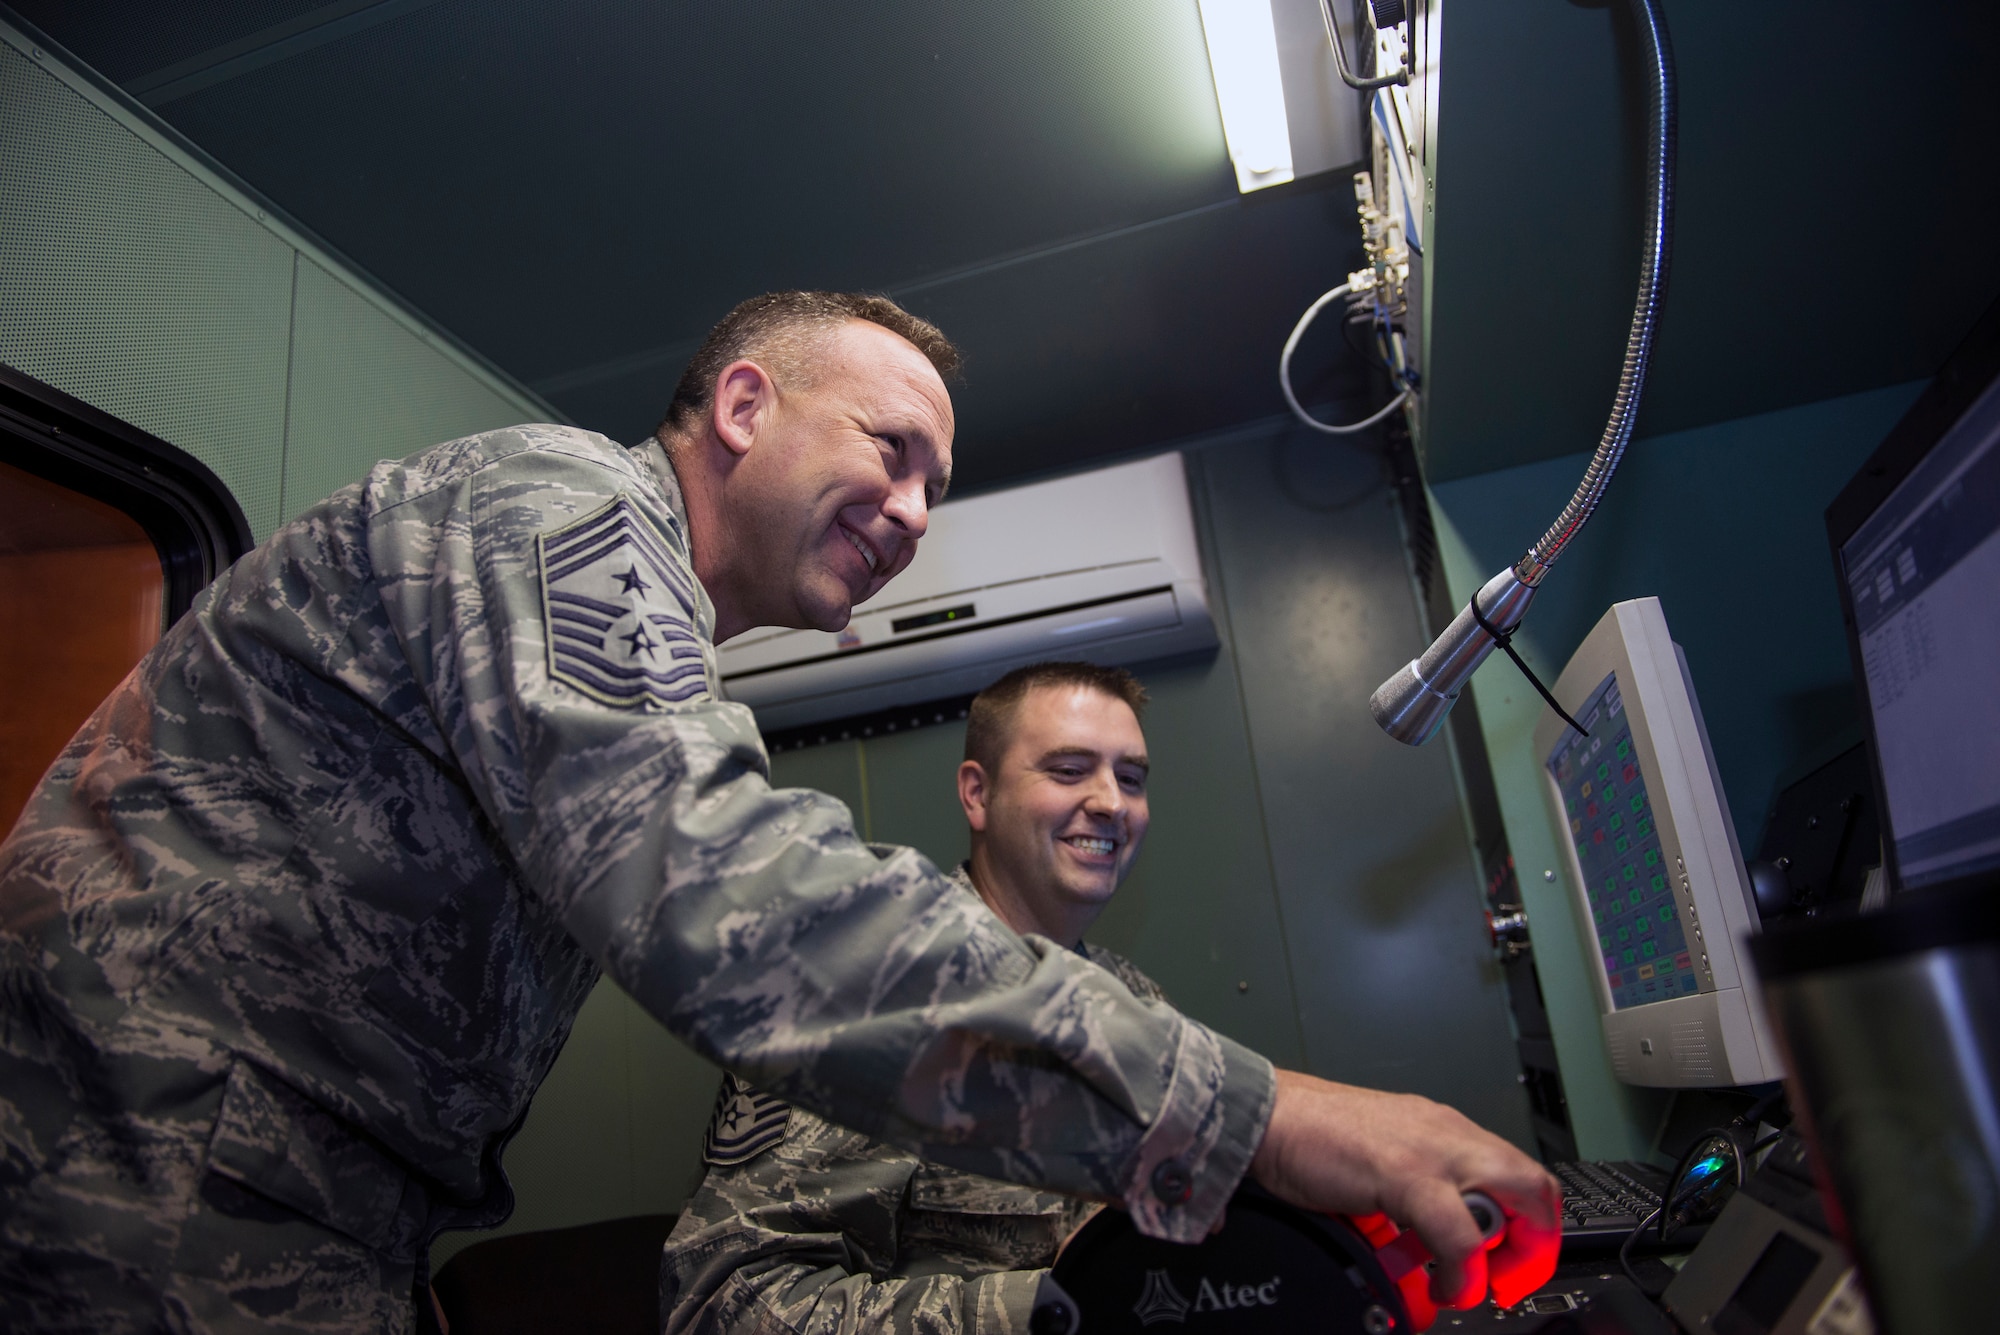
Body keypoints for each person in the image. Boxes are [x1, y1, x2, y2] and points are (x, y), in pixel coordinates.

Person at [0, 292, 1558, 1333]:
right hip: (147, 1171)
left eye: (940, 485)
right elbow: (725, 887)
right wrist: (1261, 1114)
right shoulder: (562, 501)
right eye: (894, 450)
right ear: (745, 403)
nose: (916, 513)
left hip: (291, 1202)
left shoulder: (649, 637)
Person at [663, 661, 1178, 1334]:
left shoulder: (1140, 1003)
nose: (1112, 801)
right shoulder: (863, 995)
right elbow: (721, 1303)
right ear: (977, 793)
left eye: (1131, 777)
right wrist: (1046, 1311)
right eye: (1069, 769)